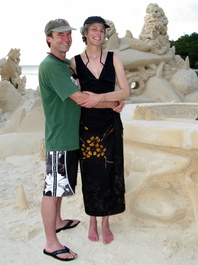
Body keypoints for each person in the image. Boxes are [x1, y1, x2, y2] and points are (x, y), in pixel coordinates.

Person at [39, 18, 122, 262]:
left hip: (71, 135)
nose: (65, 39)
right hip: (60, 137)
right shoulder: (52, 66)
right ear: (49, 38)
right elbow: (81, 98)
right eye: (59, 35)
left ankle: (59, 221)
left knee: (60, 185)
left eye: (68, 35)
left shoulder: (63, 64)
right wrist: (114, 103)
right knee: (52, 189)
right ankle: (51, 242)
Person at [70, 16, 130, 245]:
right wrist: (109, 101)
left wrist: (102, 98)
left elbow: (125, 92)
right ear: (85, 33)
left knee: (110, 172)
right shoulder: (74, 63)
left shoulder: (114, 58)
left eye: (102, 30)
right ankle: (92, 220)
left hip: (110, 125)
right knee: (90, 173)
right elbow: (76, 97)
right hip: (86, 125)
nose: (98, 33)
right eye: (93, 29)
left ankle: (105, 222)